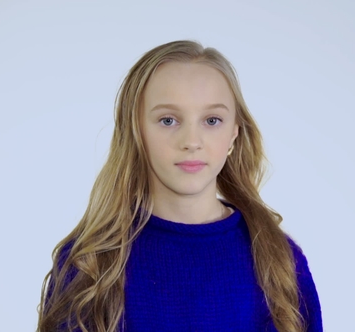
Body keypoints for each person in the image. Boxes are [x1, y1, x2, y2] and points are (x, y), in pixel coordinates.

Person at [36, 40, 323, 332]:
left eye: (212, 120)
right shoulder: (90, 264)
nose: (191, 141)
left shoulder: (280, 259)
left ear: (234, 133)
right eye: (168, 120)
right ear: (136, 131)